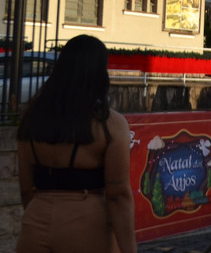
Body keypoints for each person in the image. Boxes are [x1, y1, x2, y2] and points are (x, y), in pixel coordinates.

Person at [16, 34, 137, 253]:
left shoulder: (32, 118)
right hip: (87, 224)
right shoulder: (109, 124)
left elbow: (26, 188)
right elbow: (118, 195)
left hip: (36, 221)